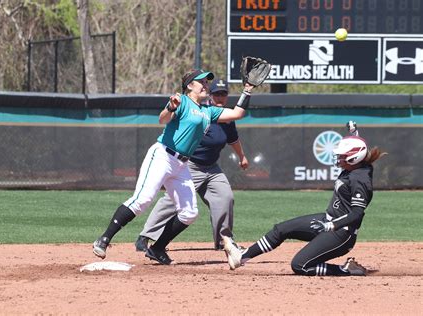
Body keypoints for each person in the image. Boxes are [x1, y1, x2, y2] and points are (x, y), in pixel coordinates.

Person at [93, 69, 255, 265]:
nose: (206, 85)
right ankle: (104, 239)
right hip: (163, 155)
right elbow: (162, 119)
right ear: (189, 85)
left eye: (207, 82)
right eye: (201, 81)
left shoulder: (208, 111)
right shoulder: (182, 101)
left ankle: (158, 248)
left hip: (182, 164)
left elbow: (238, 113)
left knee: (189, 213)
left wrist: (247, 90)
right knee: (142, 200)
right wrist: (170, 107)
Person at [223, 122, 386, 276]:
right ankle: (241, 257)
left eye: (343, 156)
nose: (339, 159)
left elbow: (357, 214)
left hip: (342, 234)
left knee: (300, 265)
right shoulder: (357, 165)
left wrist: (332, 225)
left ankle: (347, 270)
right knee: (281, 229)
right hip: (327, 220)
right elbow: (359, 152)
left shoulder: (360, 180)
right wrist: (353, 134)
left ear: (354, 159)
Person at [134, 79, 249, 252]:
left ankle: (224, 241)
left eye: (223, 94)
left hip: (212, 168)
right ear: (210, 95)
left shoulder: (226, 118)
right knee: (172, 202)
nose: (220, 97)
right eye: (217, 93)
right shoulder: (205, 113)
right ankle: (146, 236)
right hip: (190, 165)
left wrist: (242, 156)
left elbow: (234, 139)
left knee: (225, 197)